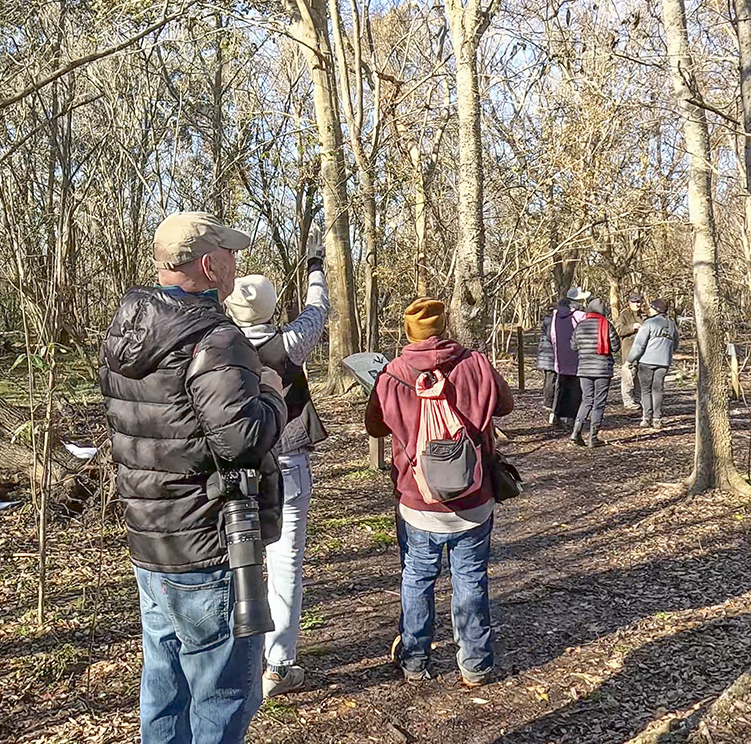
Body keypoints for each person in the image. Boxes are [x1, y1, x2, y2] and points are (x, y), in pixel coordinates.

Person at [99, 211, 287, 744]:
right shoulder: (216, 339)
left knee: (164, 684)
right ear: (209, 265)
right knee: (222, 694)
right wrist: (270, 392)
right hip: (209, 541)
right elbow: (243, 438)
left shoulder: (125, 330)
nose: (235, 263)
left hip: (151, 540)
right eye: (229, 254)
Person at [365, 298, 513, 687]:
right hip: (474, 498)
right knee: (471, 577)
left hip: (417, 500)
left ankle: (414, 660)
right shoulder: (475, 363)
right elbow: (507, 406)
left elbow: (376, 429)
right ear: (444, 327)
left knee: (417, 576)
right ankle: (476, 664)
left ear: (408, 332)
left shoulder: (392, 374)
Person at [224, 241, 330, 698]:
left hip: (235, 469)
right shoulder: (290, 343)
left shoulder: (217, 345)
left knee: (235, 562)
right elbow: (318, 308)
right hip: (287, 463)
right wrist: (314, 267)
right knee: (284, 565)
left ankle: (236, 658)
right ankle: (278, 666)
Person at [570, 298, 622, 448]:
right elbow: (615, 346)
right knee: (598, 403)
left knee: (586, 400)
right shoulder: (606, 325)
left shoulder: (580, 326)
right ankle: (593, 437)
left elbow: (573, 345)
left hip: (584, 369)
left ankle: (576, 432)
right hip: (603, 370)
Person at [627, 298, 680, 429]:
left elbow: (639, 345)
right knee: (658, 389)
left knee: (646, 390)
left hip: (646, 361)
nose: (649, 310)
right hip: (664, 362)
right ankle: (657, 418)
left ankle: (646, 418)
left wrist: (630, 359)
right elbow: (676, 344)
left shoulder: (649, 323)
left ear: (656, 309)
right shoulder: (672, 324)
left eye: (651, 308)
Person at [549, 294, 586, 426]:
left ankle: (557, 415)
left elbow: (552, 335)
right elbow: (583, 334)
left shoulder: (555, 316)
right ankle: (572, 417)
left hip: (560, 356)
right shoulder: (580, 316)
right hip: (576, 356)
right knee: (575, 389)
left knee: (561, 386)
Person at [616, 294, 646, 411]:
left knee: (639, 378)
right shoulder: (624, 315)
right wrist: (632, 327)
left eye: (638, 302)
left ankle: (637, 399)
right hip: (629, 352)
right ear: (629, 303)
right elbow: (618, 330)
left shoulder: (645, 316)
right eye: (634, 302)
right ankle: (628, 401)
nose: (637, 304)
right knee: (628, 378)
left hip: (643, 353)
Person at [536, 306, 556, 412]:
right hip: (550, 355)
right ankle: (548, 402)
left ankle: (548, 400)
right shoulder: (552, 321)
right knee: (550, 379)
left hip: (545, 354)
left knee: (548, 378)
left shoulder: (546, 321)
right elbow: (551, 337)